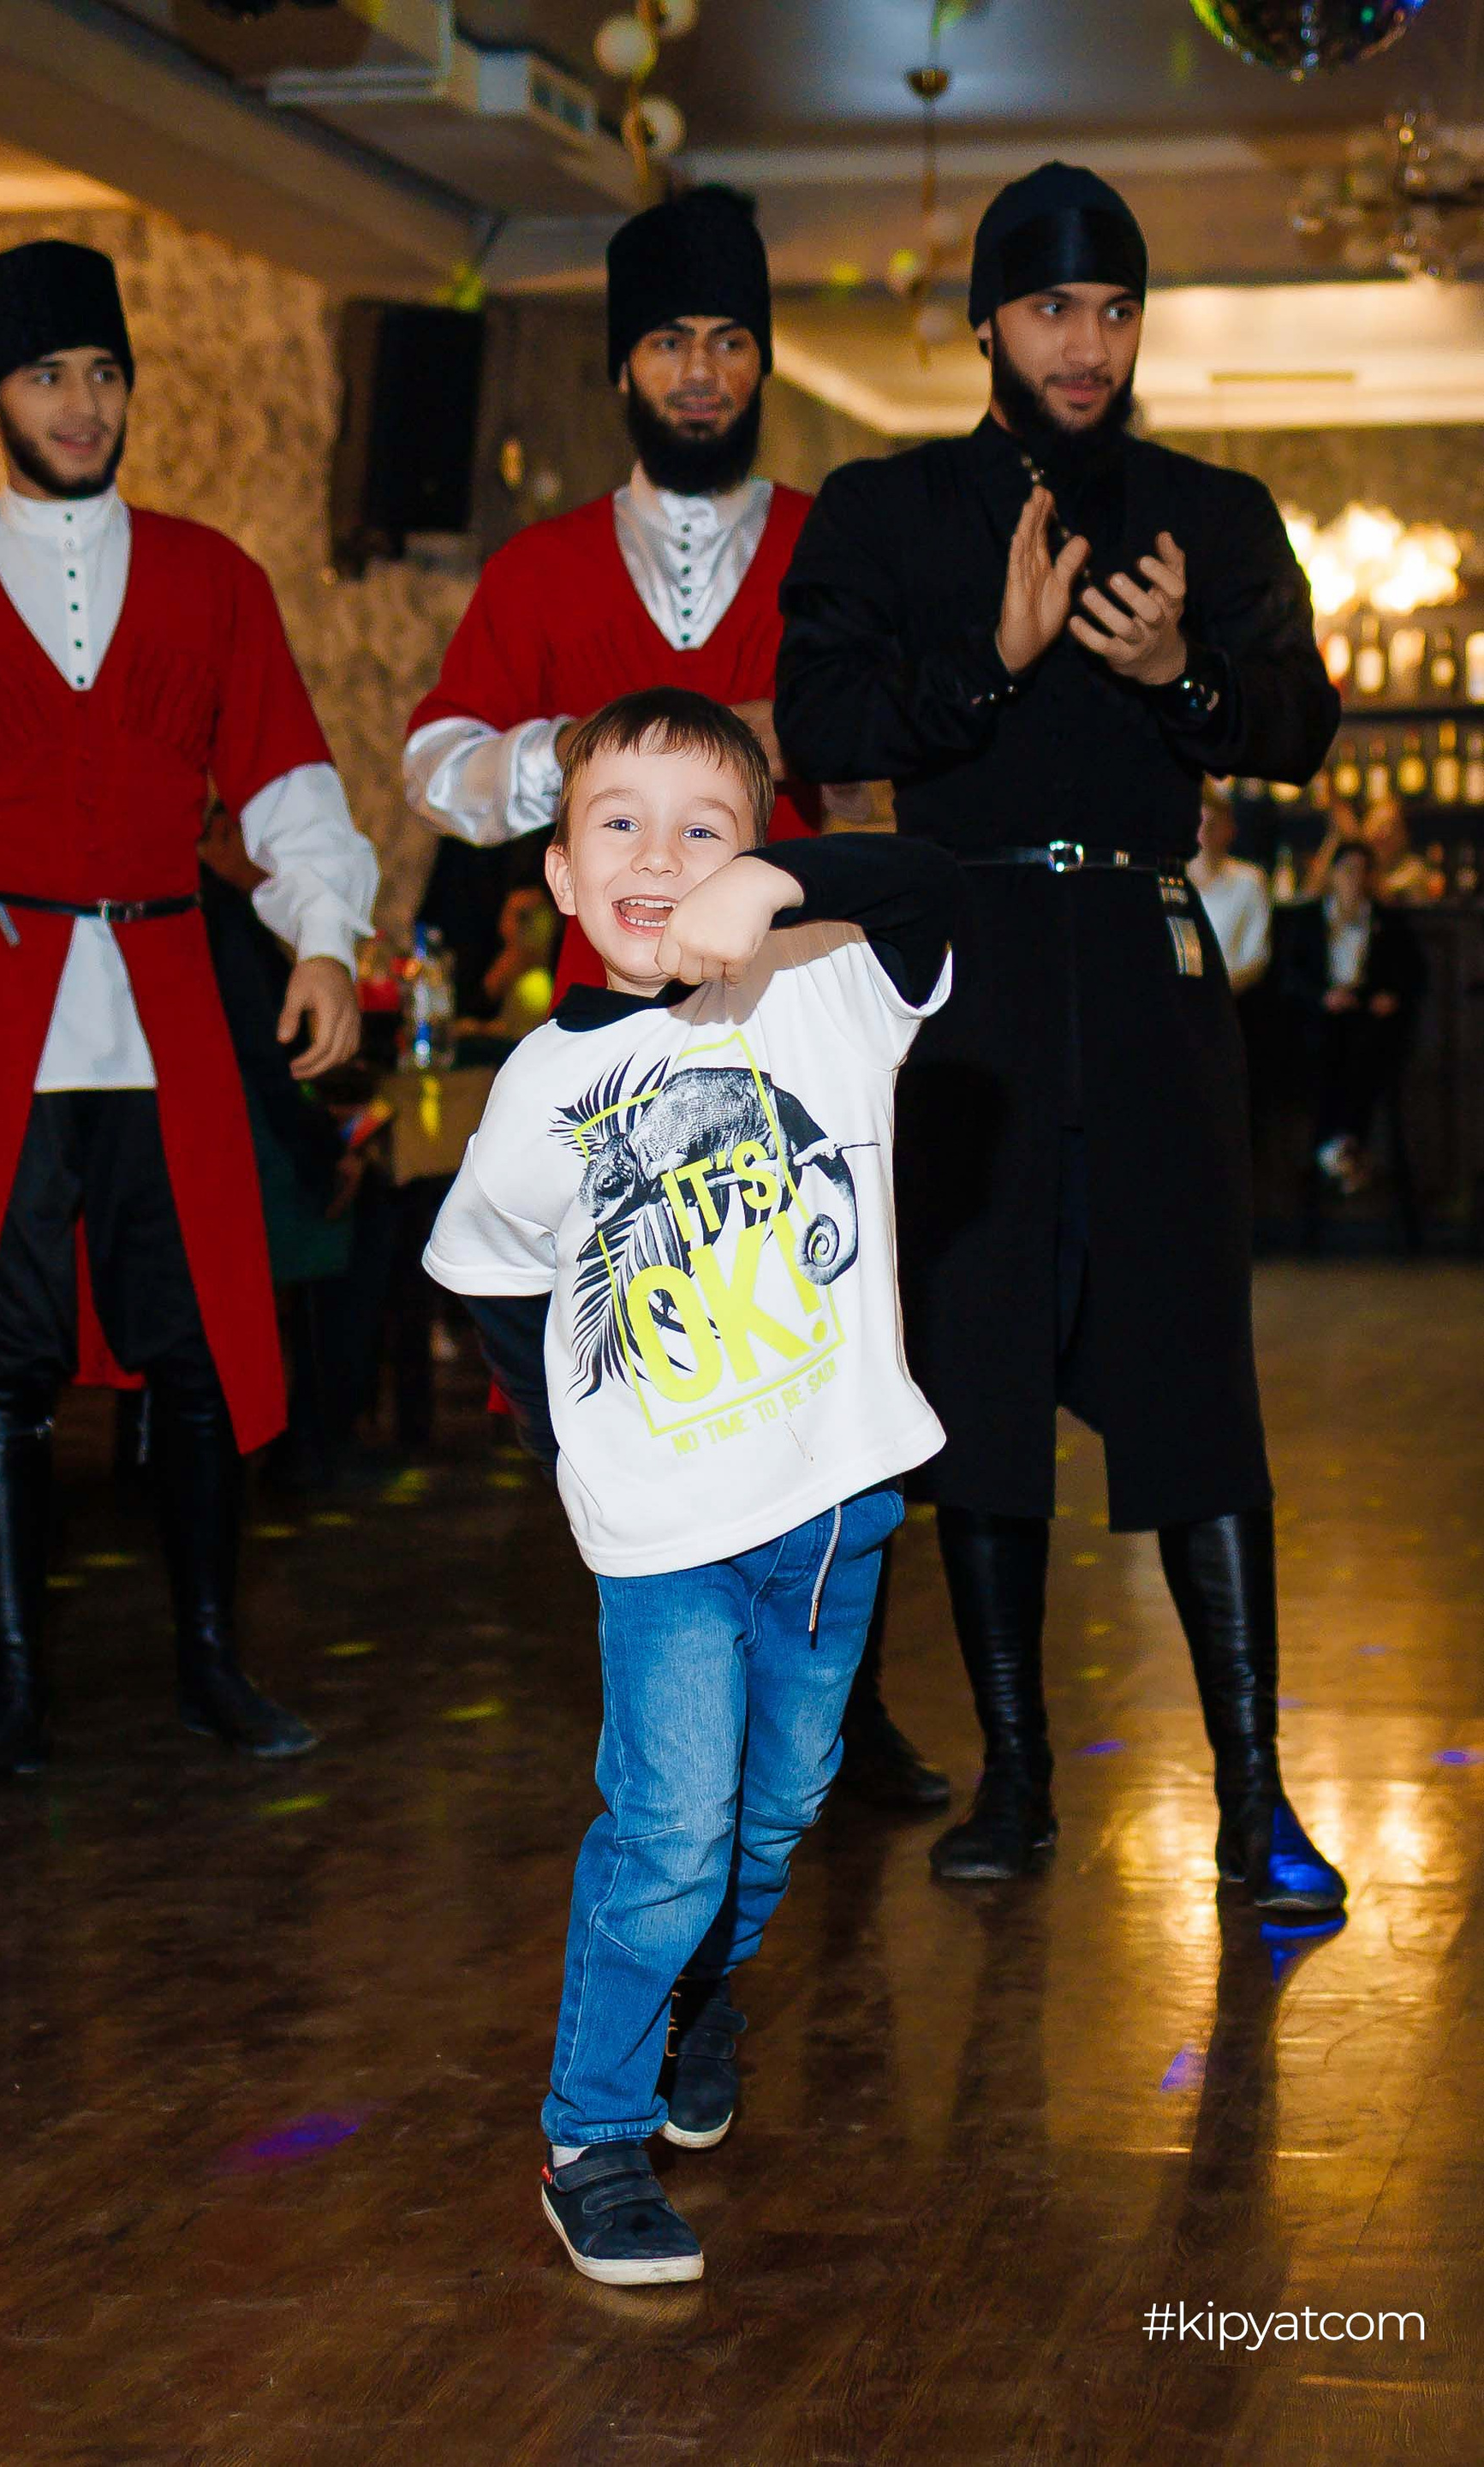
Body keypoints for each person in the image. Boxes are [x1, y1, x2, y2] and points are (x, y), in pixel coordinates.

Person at [775, 161, 1346, 1914]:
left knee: (1195, 1380)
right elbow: (819, 720)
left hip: (1153, 971)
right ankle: (1016, 1781)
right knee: (981, 1374)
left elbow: (1301, 724)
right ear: (986, 326)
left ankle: (1252, 1797)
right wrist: (994, 660)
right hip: (966, 985)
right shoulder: (885, 508)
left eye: (1113, 311)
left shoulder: (1212, 513)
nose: (1085, 345)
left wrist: (1180, 675)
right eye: (1049, 311)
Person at [408, 184, 941, 1811]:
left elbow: (921, 741)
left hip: (811, 1005)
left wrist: (815, 739)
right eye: (666, 345)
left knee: (827, 1340)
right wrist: (578, 756)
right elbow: (434, 762)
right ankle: (680, 1701)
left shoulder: (836, 540)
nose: (699, 372)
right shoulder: (542, 564)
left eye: (727, 342)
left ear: (761, 361)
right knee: (665, 1354)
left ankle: (842, 1708)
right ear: (623, 368)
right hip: (610, 1032)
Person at [423, 687, 962, 2285]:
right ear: (561, 874)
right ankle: (592, 2133)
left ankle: (699, 1997)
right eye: (620, 825)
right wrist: (578, 1455)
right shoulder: (539, 1091)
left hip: (837, 1510)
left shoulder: (826, 983)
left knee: (779, 1813)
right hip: (666, 1546)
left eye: (704, 830)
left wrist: (779, 886)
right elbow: (485, 1271)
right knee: (672, 1834)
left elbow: (941, 879)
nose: (660, 857)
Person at [0, 239, 378, 1795]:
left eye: (102, 373)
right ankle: (13, 1697)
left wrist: (325, 939)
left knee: (198, 1347)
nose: (81, 404)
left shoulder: (215, 578)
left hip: (168, 1008)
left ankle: (212, 1664)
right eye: (45, 378)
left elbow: (288, 780)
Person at [1284, 839, 1425, 1196]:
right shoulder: (1309, 918)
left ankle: (1336, 1148)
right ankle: (1344, 1149)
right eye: (1348, 870)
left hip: (1368, 1018)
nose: (1356, 879)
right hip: (1321, 1018)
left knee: (1365, 1056)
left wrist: (1390, 996)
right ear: (1333, 874)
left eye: (1364, 871)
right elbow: (1290, 976)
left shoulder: (1387, 921)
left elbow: (1413, 975)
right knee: (1325, 1057)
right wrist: (1322, 996)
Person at [1189, 790, 1271, 998]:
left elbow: (1257, 957)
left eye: (1212, 824)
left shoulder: (1250, 880)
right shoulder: (1172, 881)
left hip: (1231, 998)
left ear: (1230, 829)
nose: (1204, 833)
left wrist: (1215, 991)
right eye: (1199, 824)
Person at [1361, 797, 1439, 905]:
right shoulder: (1354, 866)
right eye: (1378, 825)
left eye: (1393, 827)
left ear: (1404, 836)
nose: (1385, 834)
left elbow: (1386, 894)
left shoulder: (1414, 871)